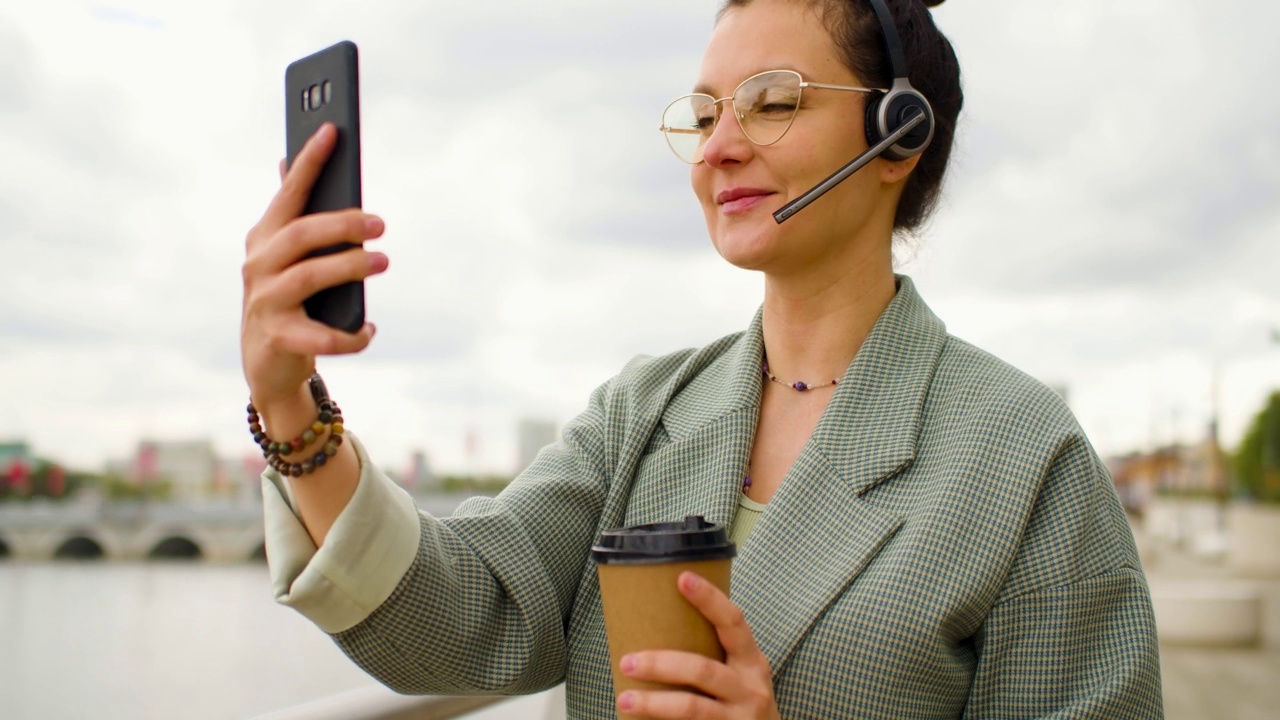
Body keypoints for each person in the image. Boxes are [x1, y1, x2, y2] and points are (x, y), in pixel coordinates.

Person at [240, 0, 1164, 717]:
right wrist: (286, 401)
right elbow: (462, 620)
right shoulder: (641, 411)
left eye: (771, 103)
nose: (719, 148)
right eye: (705, 112)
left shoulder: (1024, 458)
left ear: (897, 135)